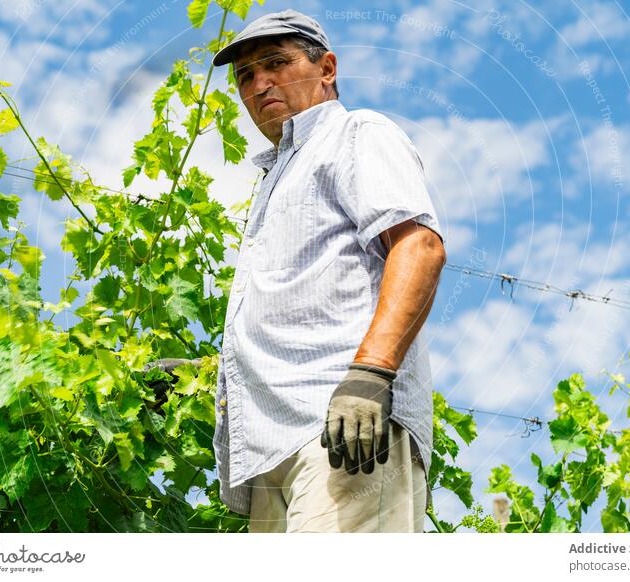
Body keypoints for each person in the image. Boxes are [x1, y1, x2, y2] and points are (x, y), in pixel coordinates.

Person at [150, 9, 446, 533]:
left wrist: (370, 376)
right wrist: (200, 375)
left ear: (326, 68)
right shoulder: (276, 178)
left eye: (276, 63)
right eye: (245, 76)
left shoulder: (357, 133)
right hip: (271, 452)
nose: (259, 82)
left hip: (345, 429)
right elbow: (303, 315)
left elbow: (419, 246)